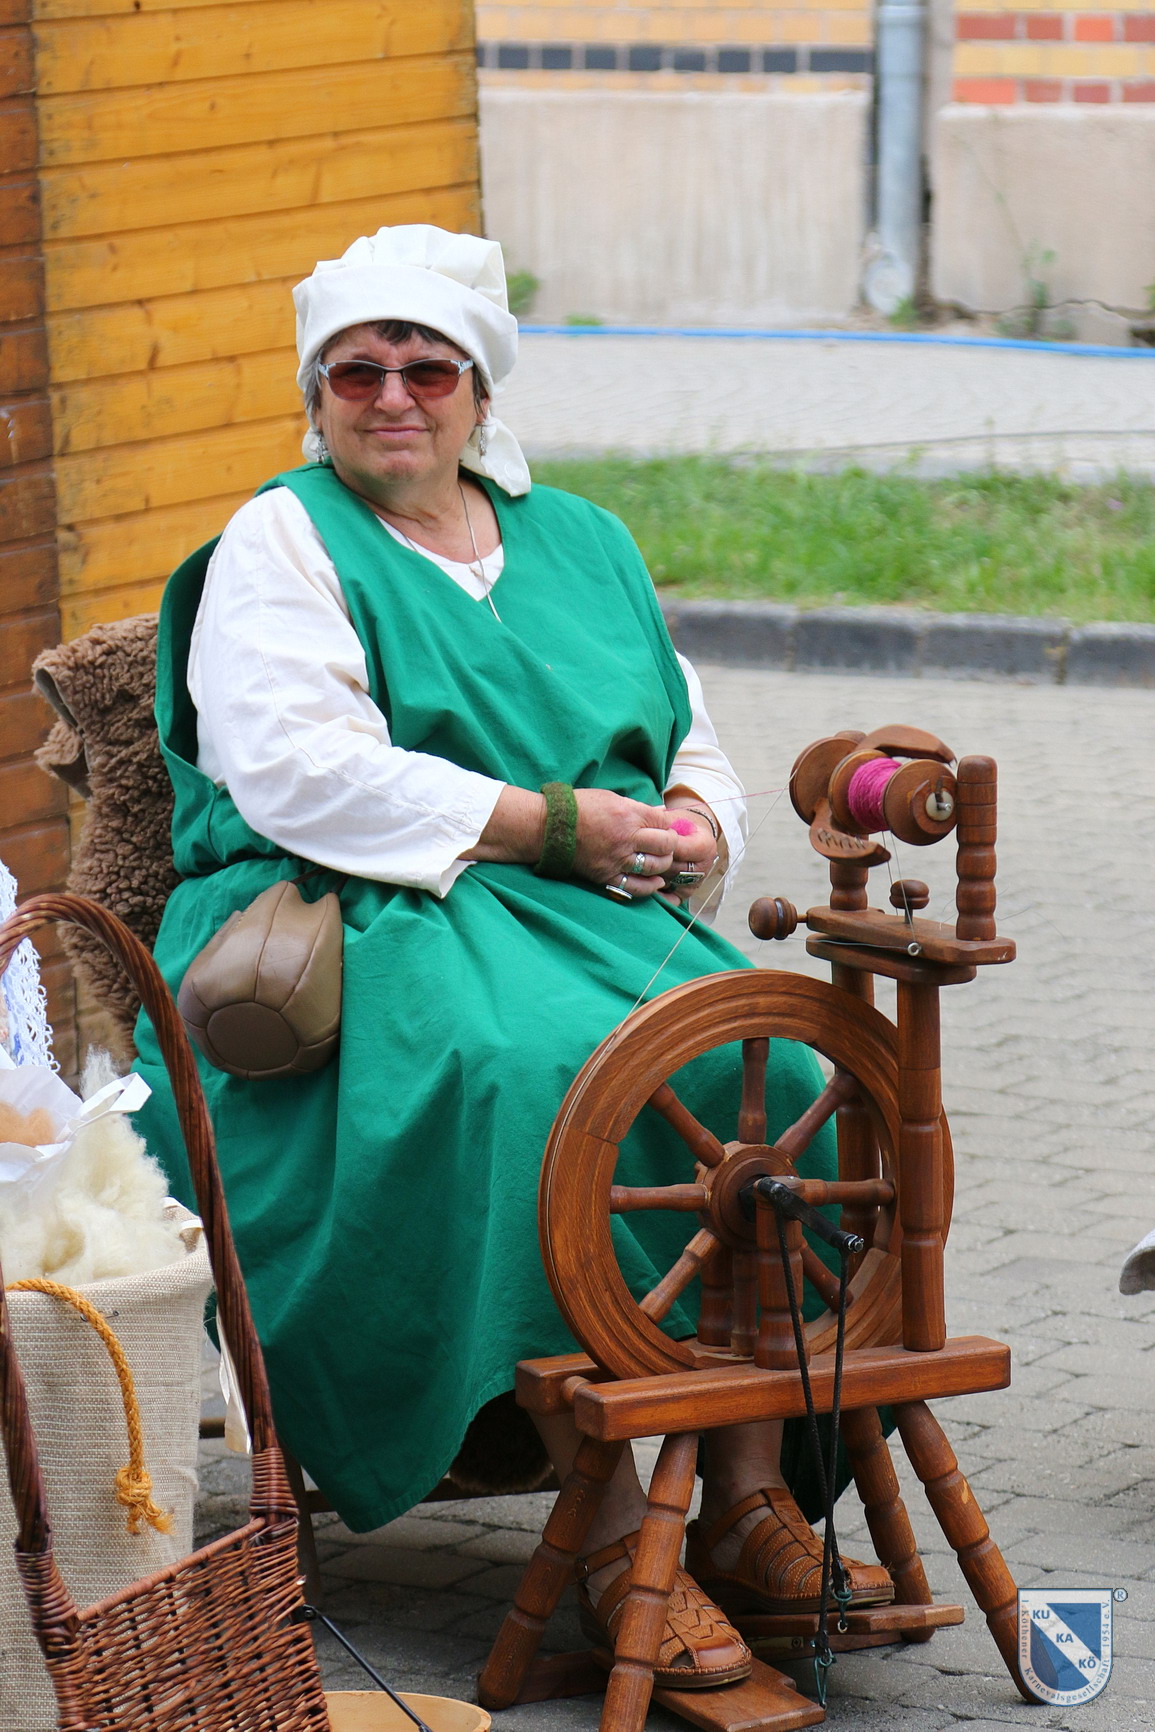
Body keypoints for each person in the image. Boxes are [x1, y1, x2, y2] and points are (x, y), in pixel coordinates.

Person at [133, 225, 892, 1690]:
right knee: (535, 1080)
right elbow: (295, 773)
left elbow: (690, 739)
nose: (392, 395)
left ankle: (744, 1498)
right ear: (317, 394)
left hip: (592, 906)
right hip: (360, 909)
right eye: (357, 370)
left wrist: (693, 825)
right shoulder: (283, 539)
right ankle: (610, 1533)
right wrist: (546, 822)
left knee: (776, 1075)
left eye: (429, 368)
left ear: (482, 391)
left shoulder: (585, 541)